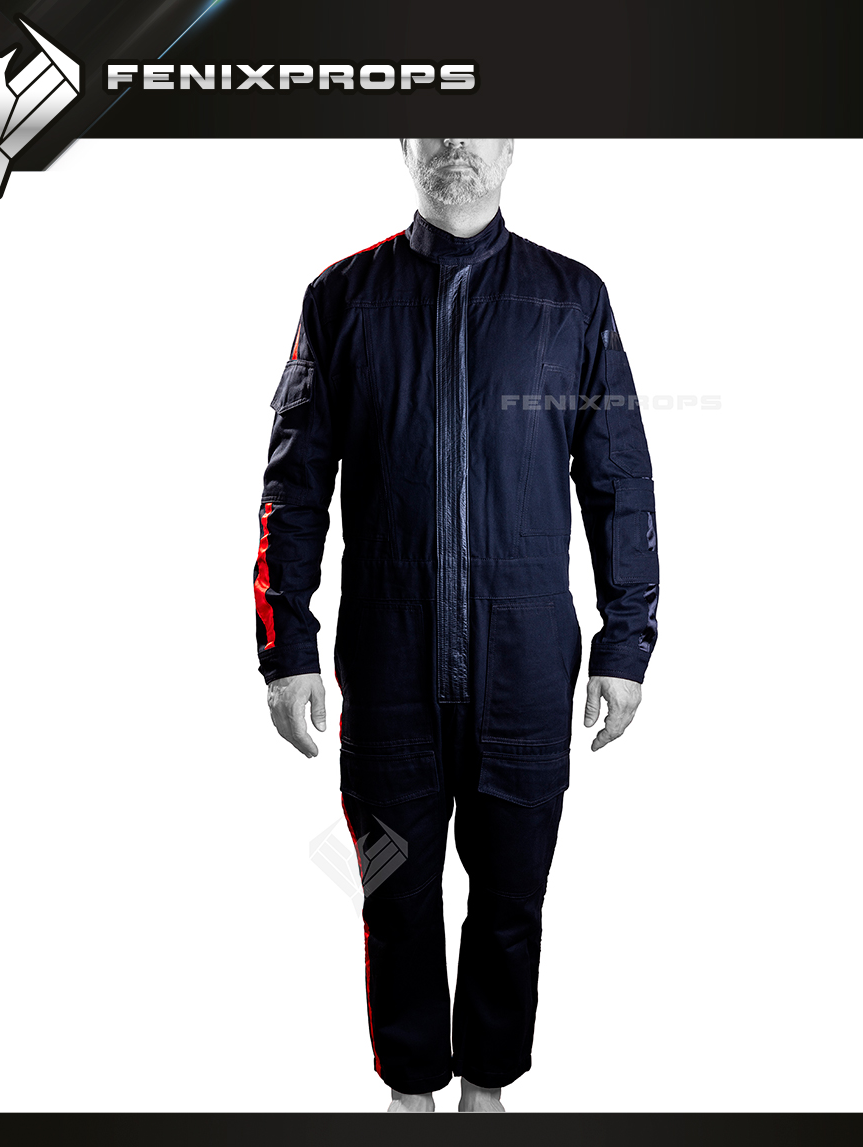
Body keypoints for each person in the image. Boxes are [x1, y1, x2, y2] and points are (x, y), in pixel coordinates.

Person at [255, 139, 659, 1112]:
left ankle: (486, 1087)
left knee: (512, 896)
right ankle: (410, 1093)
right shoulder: (341, 300)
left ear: (512, 144)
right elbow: (293, 486)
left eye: (480, 126)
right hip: (387, 670)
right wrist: (286, 645)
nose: (456, 147)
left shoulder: (571, 301)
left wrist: (625, 640)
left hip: (525, 667)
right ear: (402, 143)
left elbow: (619, 481)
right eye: (432, 126)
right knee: (392, 889)